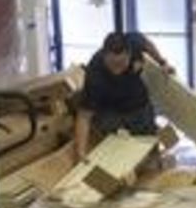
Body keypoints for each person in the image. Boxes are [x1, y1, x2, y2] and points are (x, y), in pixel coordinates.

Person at [74, 32, 174, 161]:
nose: (117, 69)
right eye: (112, 63)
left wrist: (162, 62)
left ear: (129, 53)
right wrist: (81, 152)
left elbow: (147, 44)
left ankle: (152, 162)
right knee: (116, 152)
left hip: (138, 102)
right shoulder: (94, 73)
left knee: (148, 146)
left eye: (121, 63)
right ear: (104, 55)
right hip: (111, 110)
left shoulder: (134, 41)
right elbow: (84, 116)